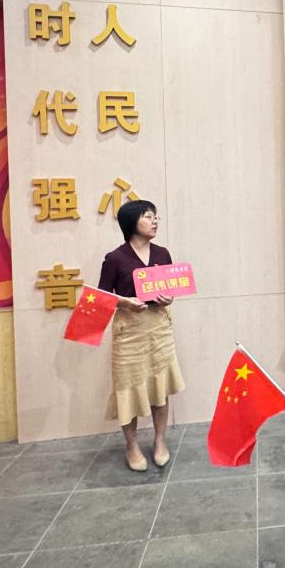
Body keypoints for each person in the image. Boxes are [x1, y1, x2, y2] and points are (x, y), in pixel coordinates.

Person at [96, 199, 184, 472]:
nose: (155, 221)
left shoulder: (162, 253)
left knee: (160, 387)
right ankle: (131, 446)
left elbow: (170, 289)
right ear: (131, 222)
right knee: (127, 389)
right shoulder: (115, 258)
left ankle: (160, 441)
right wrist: (125, 302)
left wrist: (169, 298)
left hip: (159, 329)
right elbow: (101, 296)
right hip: (129, 332)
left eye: (156, 216)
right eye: (148, 216)